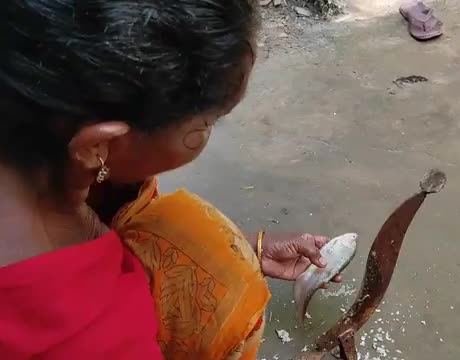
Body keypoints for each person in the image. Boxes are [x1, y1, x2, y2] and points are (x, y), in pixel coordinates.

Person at [0, 1, 340, 359]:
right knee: (228, 288)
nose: (208, 131)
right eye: (207, 122)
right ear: (99, 145)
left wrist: (246, 245)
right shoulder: (92, 338)